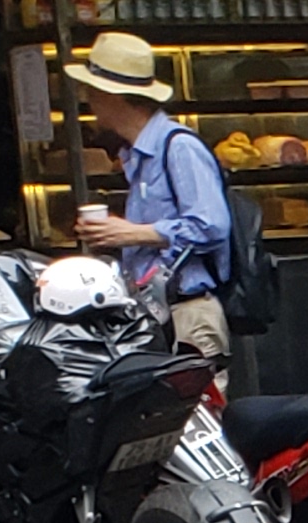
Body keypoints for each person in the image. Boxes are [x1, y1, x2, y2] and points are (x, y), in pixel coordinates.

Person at [63, 33, 236, 360]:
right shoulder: (142, 154)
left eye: (92, 91)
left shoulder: (178, 146)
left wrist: (132, 233)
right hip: (160, 313)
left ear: (112, 96)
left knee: (197, 411)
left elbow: (212, 226)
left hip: (187, 312)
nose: (87, 99)